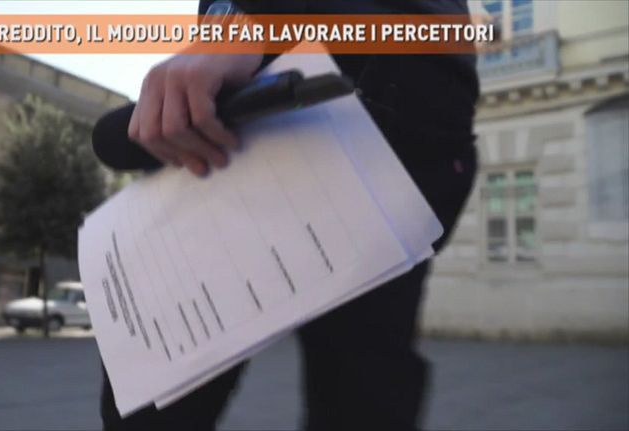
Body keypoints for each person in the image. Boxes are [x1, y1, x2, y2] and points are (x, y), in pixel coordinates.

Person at [101, 0, 478, 429]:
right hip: (407, 91)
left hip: (326, 82)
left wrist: (241, 20)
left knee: (153, 400)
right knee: (362, 394)